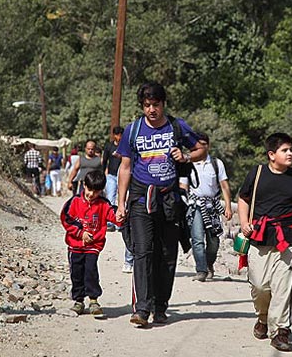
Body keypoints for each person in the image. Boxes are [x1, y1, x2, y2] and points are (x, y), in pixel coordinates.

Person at [115, 82, 206, 327]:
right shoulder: (132, 130)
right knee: (142, 251)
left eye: (155, 104)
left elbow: (201, 150)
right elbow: (125, 168)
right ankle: (142, 309)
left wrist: (186, 156)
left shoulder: (177, 127)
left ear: (163, 104)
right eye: (147, 105)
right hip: (140, 197)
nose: (151, 110)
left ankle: (160, 305)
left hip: (169, 199)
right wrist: (120, 204)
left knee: (166, 255)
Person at [237, 132, 292, 351]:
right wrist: (243, 222)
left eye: (291, 149)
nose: (290, 153)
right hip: (260, 238)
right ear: (271, 154)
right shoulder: (257, 173)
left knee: (283, 287)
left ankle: (281, 331)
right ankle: (263, 317)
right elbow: (243, 199)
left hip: (289, 239)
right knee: (259, 286)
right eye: (285, 150)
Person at [60, 170, 121, 318]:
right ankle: (79, 301)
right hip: (75, 245)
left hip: (93, 246)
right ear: (84, 186)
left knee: (91, 271)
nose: (91, 194)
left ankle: (94, 300)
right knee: (76, 272)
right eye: (89, 189)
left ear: (101, 191)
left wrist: (121, 214)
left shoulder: (104, 204)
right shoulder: (74, 202)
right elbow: (66, 219)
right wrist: (81, 233)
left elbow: (115, 217)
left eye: (96, 191)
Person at [179, 132, 233, 282]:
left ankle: (209, 264)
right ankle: (201, 270)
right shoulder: (188, 165)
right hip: (195, 205)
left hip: (213, 206)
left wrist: (227, 206)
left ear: (207, 147)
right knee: (197, 238)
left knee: (214, 241)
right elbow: (183, 185)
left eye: (202, 146)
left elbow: (224, 185)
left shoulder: (216, 164)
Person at [102, 125, 134, 273]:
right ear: (114, 136)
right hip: (112, 176)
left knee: (124, 200)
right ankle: (110, 221)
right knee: (110, 197)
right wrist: (102, 175)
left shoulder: (127, 146)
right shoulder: (109, 146)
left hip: (126, 178)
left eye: (121, 135)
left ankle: (119, 222)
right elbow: (104, 161)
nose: (119, 137)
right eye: (117, 135)